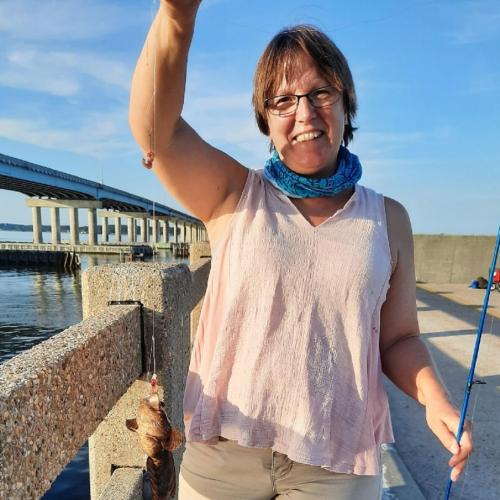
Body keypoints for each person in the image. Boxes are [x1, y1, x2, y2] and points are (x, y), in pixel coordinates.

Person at [129, 1, 473, 498]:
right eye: (283, 101)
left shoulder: (389, 218)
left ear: (346, 101)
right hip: (225, 450)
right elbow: (154, 131)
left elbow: (398, 339)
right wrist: (177, 18)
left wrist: (434, 399)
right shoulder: (231, 193)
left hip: (337, 461)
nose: (305, 113)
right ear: (264, 118)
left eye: (320, 93)